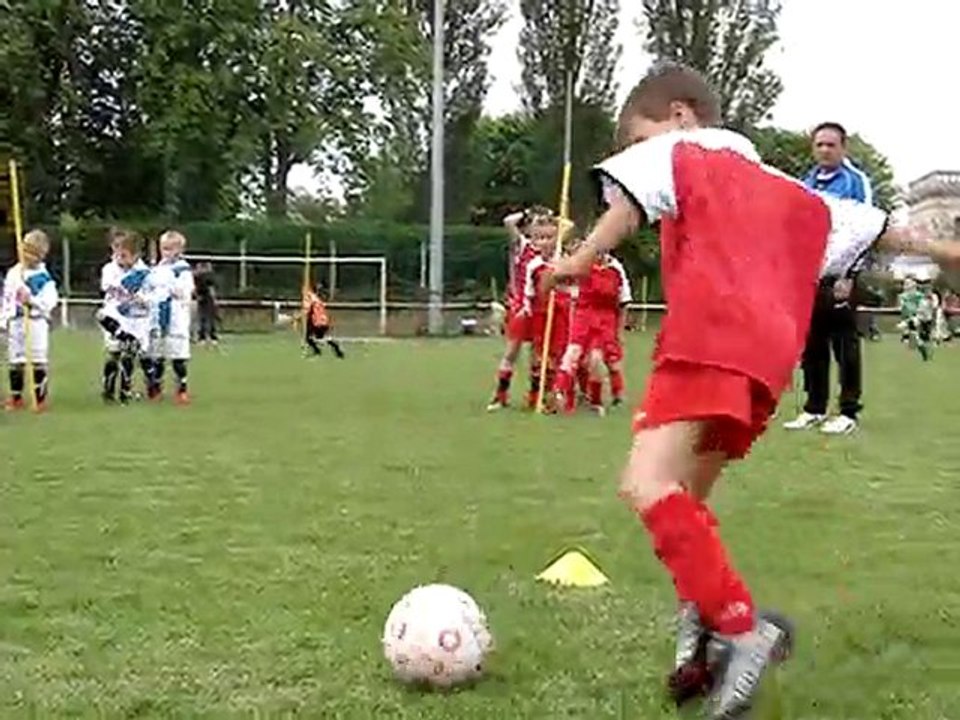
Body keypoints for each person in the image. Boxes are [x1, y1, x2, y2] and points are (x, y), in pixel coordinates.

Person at [543, 63, 960, 719]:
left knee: (647, 484)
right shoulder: (793, 191)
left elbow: (624, 207)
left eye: (637, 140)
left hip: (709, 335)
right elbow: (895, 236)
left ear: (679, 116)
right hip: (769, 360)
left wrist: (575, 261)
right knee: (688, 501)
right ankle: (702, 635)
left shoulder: (679, 150)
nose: (634, 156)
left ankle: (740, 629)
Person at [784, 122, 874, 435]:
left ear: (842, 148)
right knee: (812, 344)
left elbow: (865, 229)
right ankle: (814, 408)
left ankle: (848, 412)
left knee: (844, 343)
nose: (824, 150)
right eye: (819, 144)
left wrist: (849, 274)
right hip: (811, 274)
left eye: (830, 145)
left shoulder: (855, 181)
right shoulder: (807, 183)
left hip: (841, 275)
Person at [552, 251, 631, 414]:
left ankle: (597, 400)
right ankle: (559, 392)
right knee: (573, 353)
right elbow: (559, 279)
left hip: (606, 319)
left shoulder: (615, 269)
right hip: (583, 315)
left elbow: (624, 300)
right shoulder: (582, 265)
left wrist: (619, 330)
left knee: (598, 359)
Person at [487, 208, 549, 411]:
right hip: (522, 308)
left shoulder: (552, 251)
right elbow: (508, 221)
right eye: (536, 224)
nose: (540, 228)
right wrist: (528, 212)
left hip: (543, 308)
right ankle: (500, 395)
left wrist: (552, 217)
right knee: (512, 351)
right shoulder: (524, 246)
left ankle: (534, 396)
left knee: (537, 355)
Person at [1, 230, 59, 411]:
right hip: (16, 322)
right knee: (16, 360)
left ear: (42, 255)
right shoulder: (14, 273)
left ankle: (40, 399)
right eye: (25, 251)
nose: (28, 257)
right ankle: (16, 397)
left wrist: (31, 301)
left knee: (37, 359)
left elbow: (50, 303)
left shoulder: (44, 279)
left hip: (36, 322)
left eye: (34, 254)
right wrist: (3, 321)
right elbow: (7, 299)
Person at [97, 229, 154, 404]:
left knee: (130, 352)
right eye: (116, 252)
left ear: (136, 254)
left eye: (124, 255)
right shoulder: (109, 269)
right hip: (115, 316)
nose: (119, 258)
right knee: (114, 352)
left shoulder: (146, 273)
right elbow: (108, 286)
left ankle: (125, 390)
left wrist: (143, 299)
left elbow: (152, 294)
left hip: (136, 319)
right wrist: (127, 289)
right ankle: (108, 389)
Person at [148, 231, 195, 403]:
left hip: (176, 317)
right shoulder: (157, 269)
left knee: (178, 356)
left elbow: (185, 291)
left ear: (179, 250)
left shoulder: (182, 270)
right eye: (163, 248)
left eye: (170, 249)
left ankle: (181, 390)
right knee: (157, 355)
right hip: (157, 316)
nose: (165, 252)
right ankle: (156, 389)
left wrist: (172, 288)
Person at [303, 285, 344, 359]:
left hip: (317, 322)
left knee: (311, 338)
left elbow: (308, 311)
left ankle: (319, 350)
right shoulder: (318, 300)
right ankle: (333, 347)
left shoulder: (312, 299)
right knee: (318, 337)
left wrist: (298, 317)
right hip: (323, 321)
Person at [194, 262, 220, 346]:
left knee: (209, 318)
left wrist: (213, 298)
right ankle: (203, 337)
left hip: (207, 298)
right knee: (203, 318)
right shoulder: (197, 277)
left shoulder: (207, 277)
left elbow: (211, 288)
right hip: (202, 298)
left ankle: (211, 336)